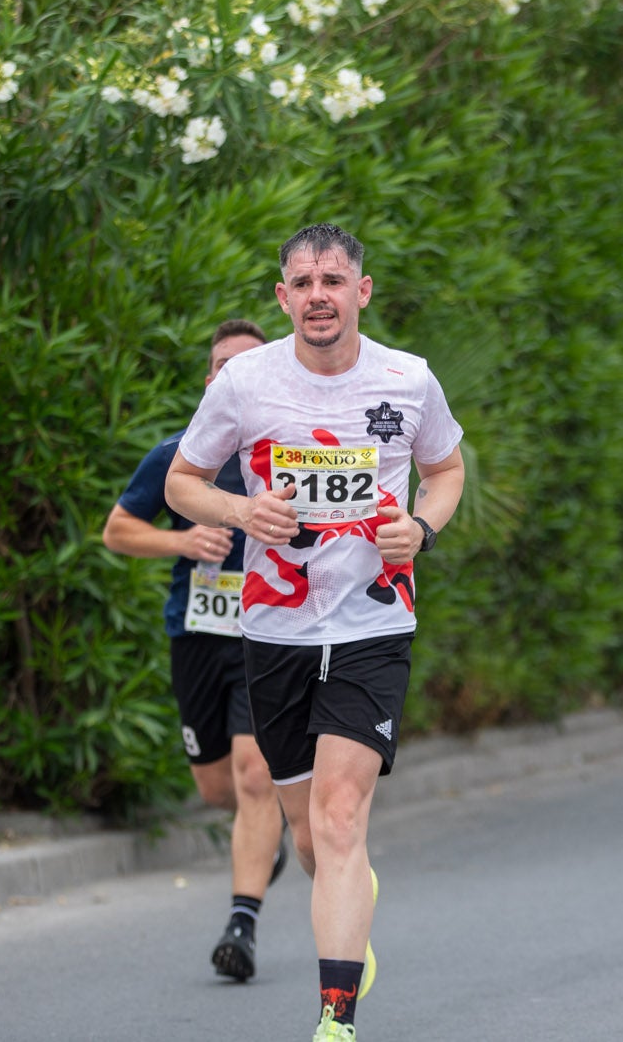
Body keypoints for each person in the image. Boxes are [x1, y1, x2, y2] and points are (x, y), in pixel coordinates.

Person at [165, 224, 465, 1042]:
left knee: (339, 818)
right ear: (283, 297)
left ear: (362, 291)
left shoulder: (408, 379)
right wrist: (239, 508)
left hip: (374, 621)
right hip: (275, 629)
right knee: (309, 839)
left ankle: (336, 1021)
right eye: (302, 282)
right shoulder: (246, 383)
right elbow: (181, 481)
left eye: (333, 279)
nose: (318, 294)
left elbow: (446, 469)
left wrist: (424, 528)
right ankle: (349, 909)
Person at [101, 318, 288, 983]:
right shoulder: (182, 455)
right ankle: (267, 831)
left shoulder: (291, 454)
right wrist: (182, 541)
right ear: (210, 380)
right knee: (217, 788)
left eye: (246, 363)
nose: (230, 375)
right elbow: (118, 530)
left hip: (269, 638)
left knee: (254, 775)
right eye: (220, 365)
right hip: (199, 634)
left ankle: (242, 921)